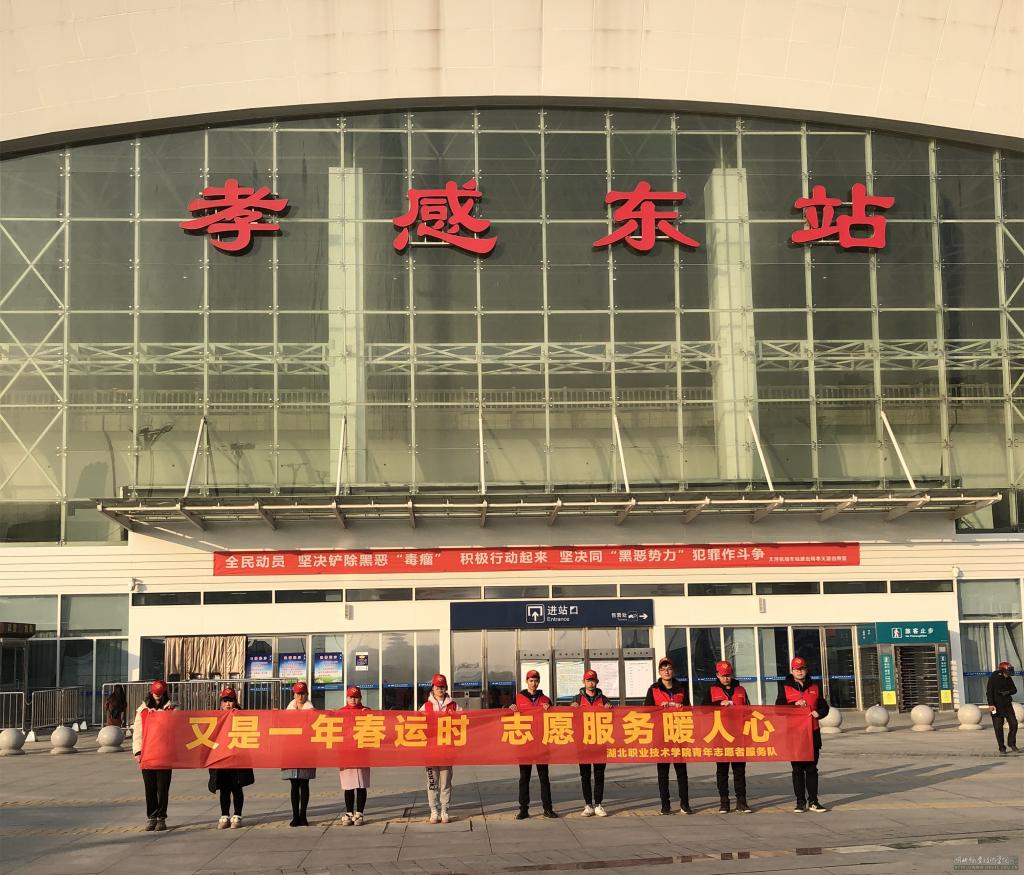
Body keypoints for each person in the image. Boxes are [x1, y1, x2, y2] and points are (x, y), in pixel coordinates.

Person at [776, 656, 830, 813]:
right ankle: (800, 802)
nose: (799, 672)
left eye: (802, 669)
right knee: (797, 769)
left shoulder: (815, 686)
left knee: (812, 769)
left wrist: (818, 713)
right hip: (795, 733)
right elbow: (778, 708)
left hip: (812, 732)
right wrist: (794, 704)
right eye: (797, 669)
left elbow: (824, 707)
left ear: (806, 669)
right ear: (792, 671)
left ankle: (814, 801)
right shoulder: (785, 687)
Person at [701, 660, 751, 814]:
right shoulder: (712, 690)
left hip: (738, 735)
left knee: (739, 770)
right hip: (720, 735)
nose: (726, 678)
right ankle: (724, 802)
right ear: (717, 675)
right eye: (723, 675)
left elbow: (749, 710)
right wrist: (718, 705)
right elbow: (703, 709)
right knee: (722, 770)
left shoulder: (741, 690)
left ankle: (742, 801)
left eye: (728, 675)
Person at [644, 657, 691, 815]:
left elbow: (689, 709)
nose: (666, 671)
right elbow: (646, 711)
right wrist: (659, 708)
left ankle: (685, 803)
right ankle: (665, 804)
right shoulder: (654, 689)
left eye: (669, 668)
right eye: (663, 669)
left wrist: (682, 707)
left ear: (673, 671)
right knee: (663, 773)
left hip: (678, 734)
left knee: (681, 772)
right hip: (661, 734)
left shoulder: (681, 688)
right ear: (659, 672)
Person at [509, 669, 555, 819]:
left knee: (544, 778)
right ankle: (523, 809)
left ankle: (548, 808)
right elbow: (507, 714)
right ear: (526, 681)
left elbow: (555, 718)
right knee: (524, 778)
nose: (533, 683)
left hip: (541, 744)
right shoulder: (518, 698)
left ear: (539, 682)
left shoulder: (546, 699)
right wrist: (510, 708)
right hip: (525, 743)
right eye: (531, 681)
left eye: (536, 681)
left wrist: (550, 709)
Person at [132, 679, 176, 831]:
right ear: (151, 692)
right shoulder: (142, 710)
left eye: (160, 693)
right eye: (155, 693)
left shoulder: (171, 709)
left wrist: (163, 715)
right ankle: (151, 816)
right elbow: (137, 732)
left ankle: (161, 817)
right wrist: (137, 751)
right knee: (149, 787)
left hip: (164, 754)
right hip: (147, 753)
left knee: (162, 788)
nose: (157, 696)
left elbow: (176, 731)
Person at [208, 687, 255, 829]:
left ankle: (237, 815)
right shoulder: (215, 717)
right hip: (221, 757)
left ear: (235, 702)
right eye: (225, 701)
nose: (228, 704)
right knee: (224, 788)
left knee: (237, 787)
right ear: (221, 703)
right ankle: (224, 815)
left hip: (237, 757)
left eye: (230, 701)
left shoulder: (242, 716)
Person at [419, 673, 462, 824]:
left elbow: (464, 723)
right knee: (432, 782)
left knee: (445, 782)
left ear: (446, 688)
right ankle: (433, 810)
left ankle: (444, 809)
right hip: (430, 751)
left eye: (442, 686)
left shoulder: (454, 706)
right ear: (433, 688)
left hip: (447, 751)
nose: (440, 689)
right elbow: (417, 724)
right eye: (437, 686)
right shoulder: (426, 706)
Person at [571, 668, 610, 817]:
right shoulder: (577, 699)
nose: (591, 683)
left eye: (593, 680)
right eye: (588, 680)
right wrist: (572, 709)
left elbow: (613, 718)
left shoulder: (604, 699)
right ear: (584, 682)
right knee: (585, 775)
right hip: (584, 742)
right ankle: (588, 804)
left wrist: (609, 709)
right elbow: (568, 717)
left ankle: (598, 804)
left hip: (600, 742)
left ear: (597, 682)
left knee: (599, 774)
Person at [281, 681, 317, 826]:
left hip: (306, 751)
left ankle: (303, 815)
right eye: (298, 693)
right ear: (294, 694)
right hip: (290, 751)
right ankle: (295, 816)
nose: (300, 696)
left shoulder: (312, 711)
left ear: (307, 694)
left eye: (302, 693)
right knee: (294, 785)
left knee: (304, 783)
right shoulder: (287, 711)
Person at [339, 686, 371, 825]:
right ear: (347, 698)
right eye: (351, 697)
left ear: (360, 698)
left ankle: (360, 813)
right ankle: (349, 812)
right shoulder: (340, 713)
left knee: (361, 784)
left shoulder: (366, 712)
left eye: (356, 697)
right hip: (346, 753)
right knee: (348, 785)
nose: (353, 700)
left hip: (362, 752)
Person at [987, 662, 1019, 755]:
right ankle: (1002, 747)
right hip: (996, 706)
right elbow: (989, 692)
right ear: (1003, 670)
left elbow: (1014, 690)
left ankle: (1011, 743)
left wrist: (1007, 692)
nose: (1010, 673)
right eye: (1008, 670)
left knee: (1014, 724)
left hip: (1007, 705)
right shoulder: (994, 677)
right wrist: (991, 704)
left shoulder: (1009, 678)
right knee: (998, 728)